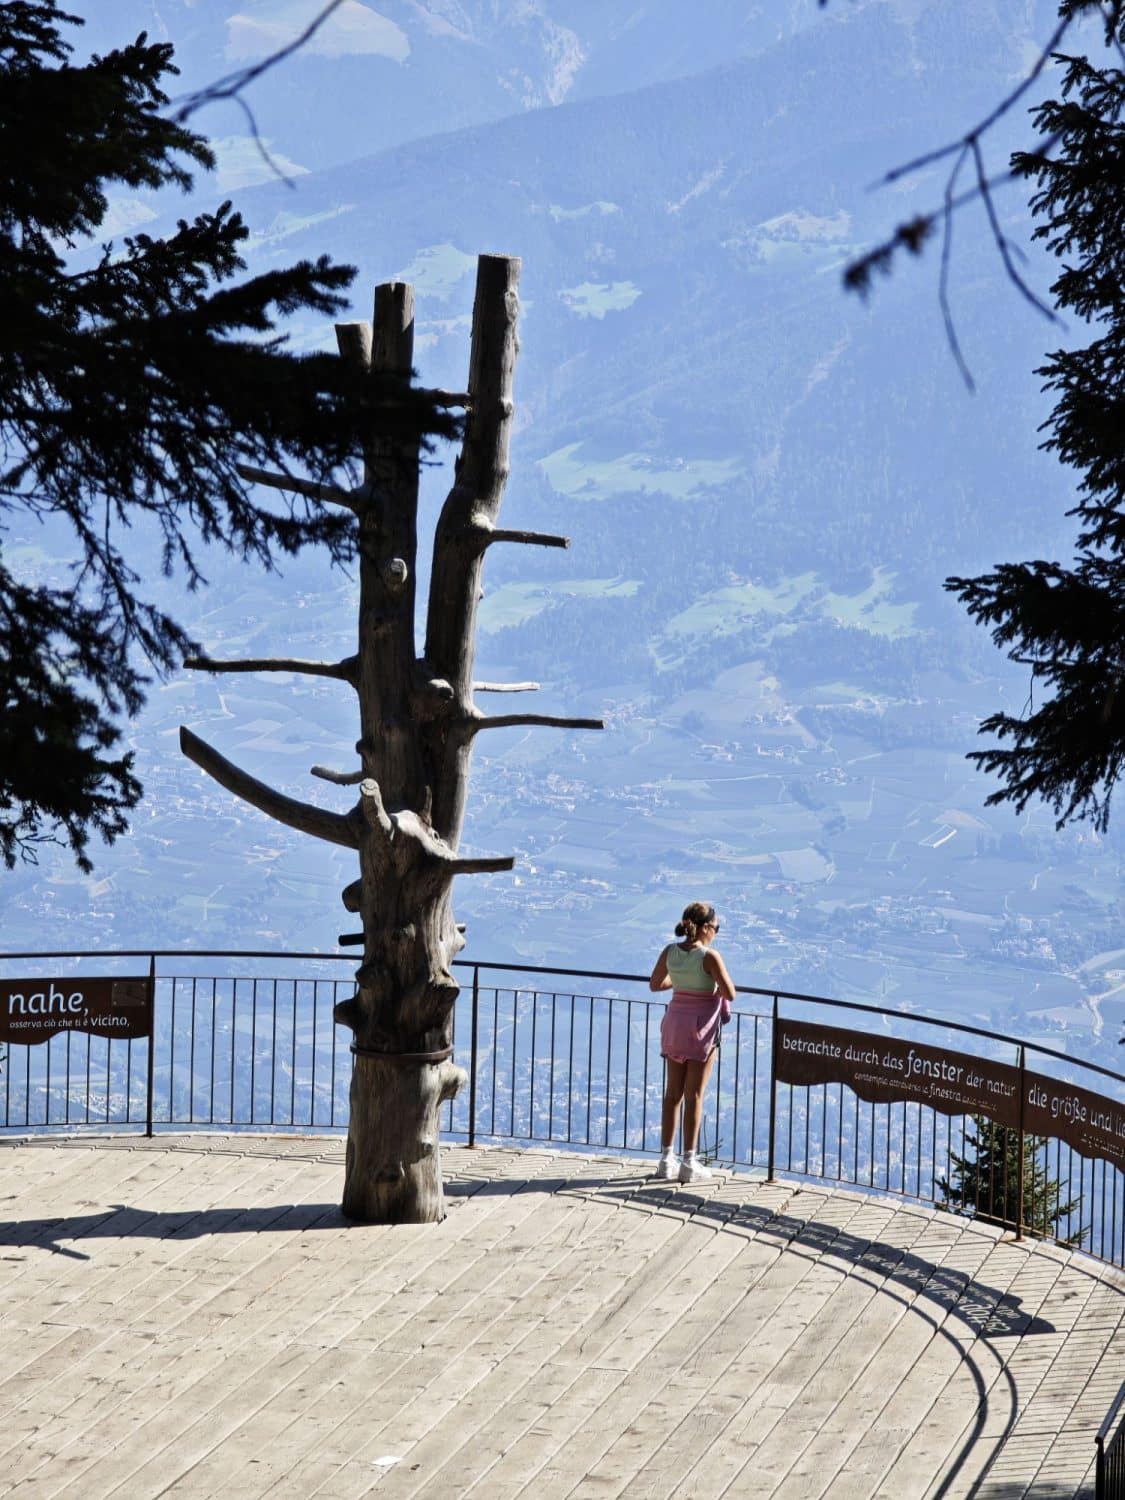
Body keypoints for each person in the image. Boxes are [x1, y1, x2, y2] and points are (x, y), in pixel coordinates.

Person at [649, 901, 736, 1184]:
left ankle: (665, 1159)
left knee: (672, 1093)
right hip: (700, 1031)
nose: (717, 933)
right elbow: (729, 993)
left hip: (673, 1025)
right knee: (694, 1096)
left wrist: (681, 981)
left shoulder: (670, 952)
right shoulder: (709, 957)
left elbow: (655, 984)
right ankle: (688, 1161)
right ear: (707, 928)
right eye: (717, 928)